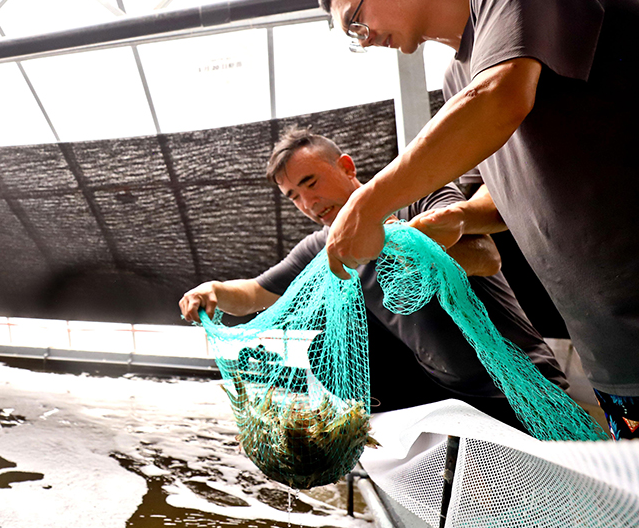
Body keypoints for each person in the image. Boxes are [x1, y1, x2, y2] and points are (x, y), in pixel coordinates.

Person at [317, 0, 639, 439]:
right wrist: (459, 219)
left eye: (358, 21)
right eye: (355, 37)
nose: (367, 38)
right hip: (615, 357)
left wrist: (368, 202)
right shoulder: (458, 79)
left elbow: (500, 96)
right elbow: (502, 202)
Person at [179, 128, 567, 428]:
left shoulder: (417, 199)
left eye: (311, 183)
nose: (308, 204)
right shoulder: (323, 247)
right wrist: (212, 289)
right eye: (293, 196)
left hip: (523, 383)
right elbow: (252, 295)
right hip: (454, 404)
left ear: (347, 167)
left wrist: (396, 243)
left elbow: (486, 257)